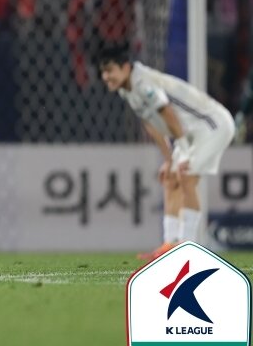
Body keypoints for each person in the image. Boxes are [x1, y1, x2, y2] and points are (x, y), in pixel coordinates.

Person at [98, 45, 234, 261]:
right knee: (171, 177)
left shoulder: (143, 83)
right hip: (190, 132)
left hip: (211, 124)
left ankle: (188, 248)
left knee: (186, 176)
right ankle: (169, 246)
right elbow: (150, 122)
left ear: (125, 67)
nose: (106, 77)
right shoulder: (127, 88)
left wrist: (184, 150)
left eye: (110, 71)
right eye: (103, 72)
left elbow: (167, 112)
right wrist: (169, 159)